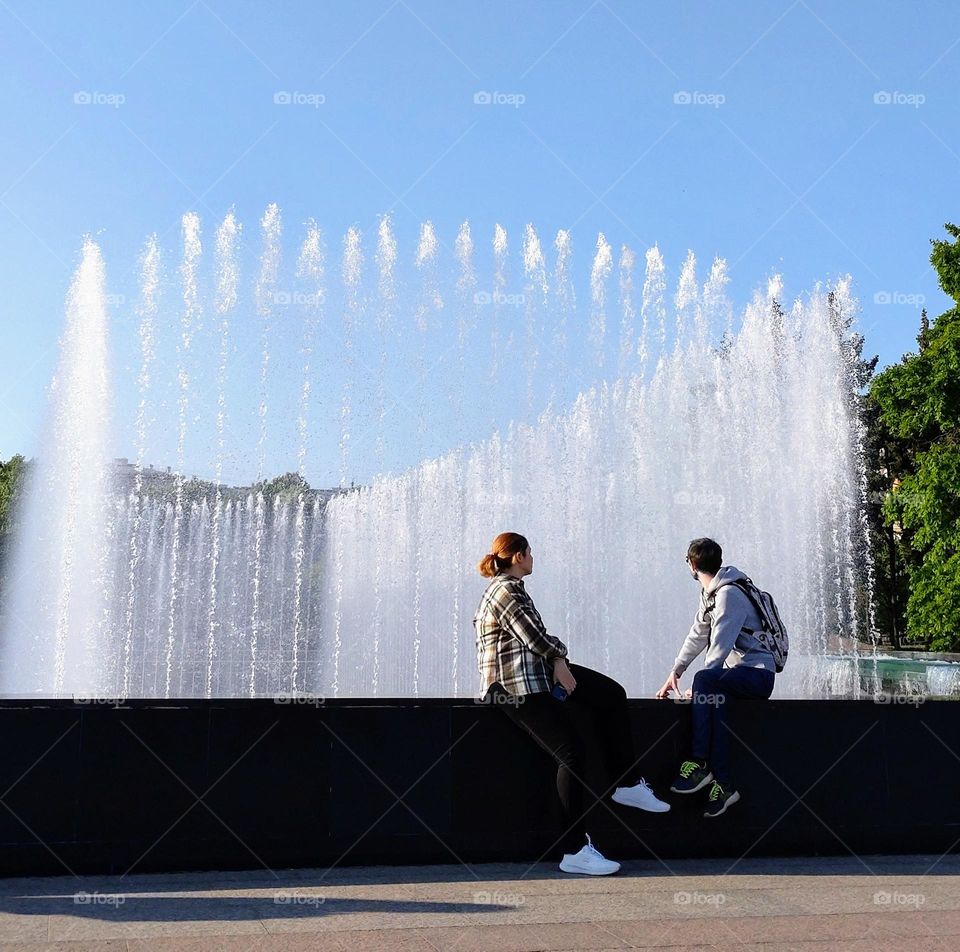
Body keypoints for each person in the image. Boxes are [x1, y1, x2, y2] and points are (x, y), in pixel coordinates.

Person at [475, 531, 670, 876]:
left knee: (610, 694)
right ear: (518, 556)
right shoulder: (505, 590)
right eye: (530, 552)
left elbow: (535, 640)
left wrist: (557, 661)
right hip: (514, 685)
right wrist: (559, 657)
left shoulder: (512, 588)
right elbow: (534, 637)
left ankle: (626, 785)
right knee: (571, 754)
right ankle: (574, 849)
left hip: (536, 675)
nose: (533, 558)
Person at [656, 537, 776, 818]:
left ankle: (699, 763)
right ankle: (724, 784)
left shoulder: (728, 595)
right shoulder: (711, 593)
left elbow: (719, 646)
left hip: (758, 675)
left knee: (706, 681)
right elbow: (698, 634)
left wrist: (701, 685)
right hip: (739, 676)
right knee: (717, 702)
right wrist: (675, 671)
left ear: (692, 564)